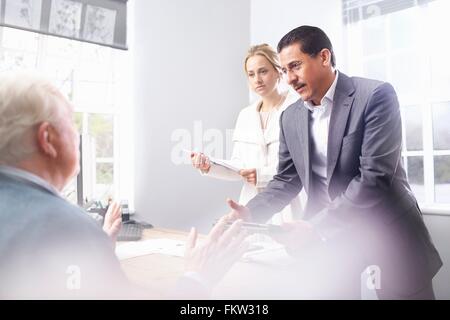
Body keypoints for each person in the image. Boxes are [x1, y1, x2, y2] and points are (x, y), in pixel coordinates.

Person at [226, 26, 442, 299]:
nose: (290, 79)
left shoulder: (375, 96)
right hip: (331, 245)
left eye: (296, 66)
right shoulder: (290, 117)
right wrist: (251, 212)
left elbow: (374, 178)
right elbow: (286, 179)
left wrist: (316, 225)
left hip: (389, 234)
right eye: (284, 70)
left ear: (324, 57)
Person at [0, 72, 247, 299]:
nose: (77, 135)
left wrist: (95, 253)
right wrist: (198, 278)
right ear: (47, 139)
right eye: (71, 124)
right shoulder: (65, 226)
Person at [191, 44, 302, 224]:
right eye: (251, 74)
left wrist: (262, 175)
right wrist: (209, 165)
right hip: (251, 204)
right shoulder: (246, 116)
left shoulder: (297, 108)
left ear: (278, 71)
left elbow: (301, 165)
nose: (257, 79)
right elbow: (239, 167)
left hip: (287, 205)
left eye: (263, 71)